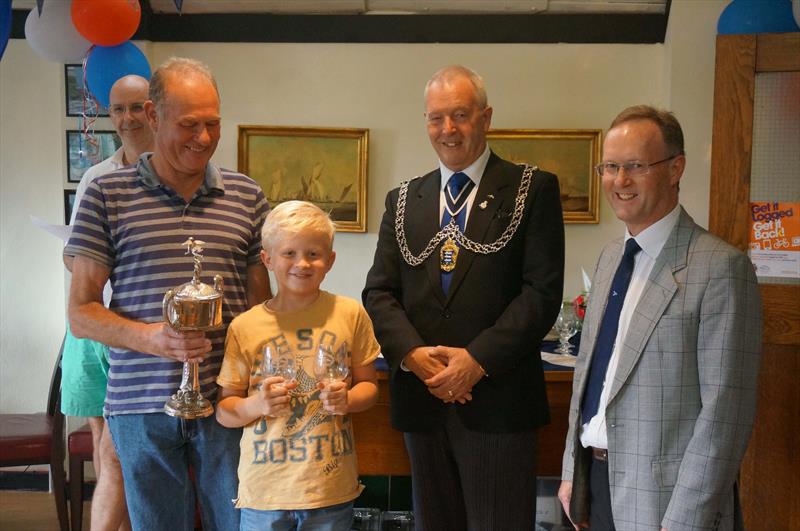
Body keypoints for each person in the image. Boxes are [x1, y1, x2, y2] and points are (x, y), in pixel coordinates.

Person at [65, 57, 271, 530]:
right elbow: (81, 313)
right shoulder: (105, 195)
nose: (203, 137)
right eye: (188, 124)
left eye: (212, 124)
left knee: (238, 524)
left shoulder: (247, 197)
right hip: (140, 406)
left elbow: (262, 310)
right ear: (155, 117)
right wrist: (154, 339)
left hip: (228, 401)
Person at [362, 65, 565, 530]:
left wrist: (476, 360)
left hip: (498, 403)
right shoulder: (403, 199)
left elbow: (541, 293)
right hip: (423, 400)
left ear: (486, 117)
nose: (447, 130)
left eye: (460, 115)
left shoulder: (531, 189)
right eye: (436, 118)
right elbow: (379, 291)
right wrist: (413, 355)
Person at [558, 105, 762, 531]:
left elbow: (725, 413)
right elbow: (590, 375)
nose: (620, 181)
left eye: (635, 166)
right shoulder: (612, 256)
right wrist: (571, 475)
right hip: (596, 486)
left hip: (667, 504)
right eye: (610, 167)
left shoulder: (720, 268)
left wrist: (686, 518)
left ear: (675, 169)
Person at [216, 200, 380, 530]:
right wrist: (257, 404)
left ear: (330, 260)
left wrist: (347, 399)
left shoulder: (351, 314)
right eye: (289, 253)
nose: (302, 263)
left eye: (314, 254)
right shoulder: (245, 326)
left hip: (329, 490)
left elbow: (370, 388)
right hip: (264, 493)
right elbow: (224, 411)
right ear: (267, 259)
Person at [61, 74, 154, 531]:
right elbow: (74, 255)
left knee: (121, 448)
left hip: (138, 328)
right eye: (118, 109)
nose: (127, 118)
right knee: (103, 443)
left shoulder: (176, 171)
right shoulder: (96, 177)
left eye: (136, 107)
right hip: (92, 326)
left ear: (156, 109)